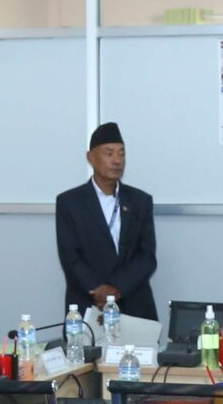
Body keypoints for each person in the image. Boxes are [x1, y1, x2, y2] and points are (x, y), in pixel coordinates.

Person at [55, 122, 157, 323]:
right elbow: (70, 257)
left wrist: (117, 288)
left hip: (134, 303)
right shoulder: (70, 202)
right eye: (109, 153)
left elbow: (147, 257)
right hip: (89, 304)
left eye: (121, 154)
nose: (117, 160)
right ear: (91, 157)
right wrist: (100, 292)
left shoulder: (140, 201)